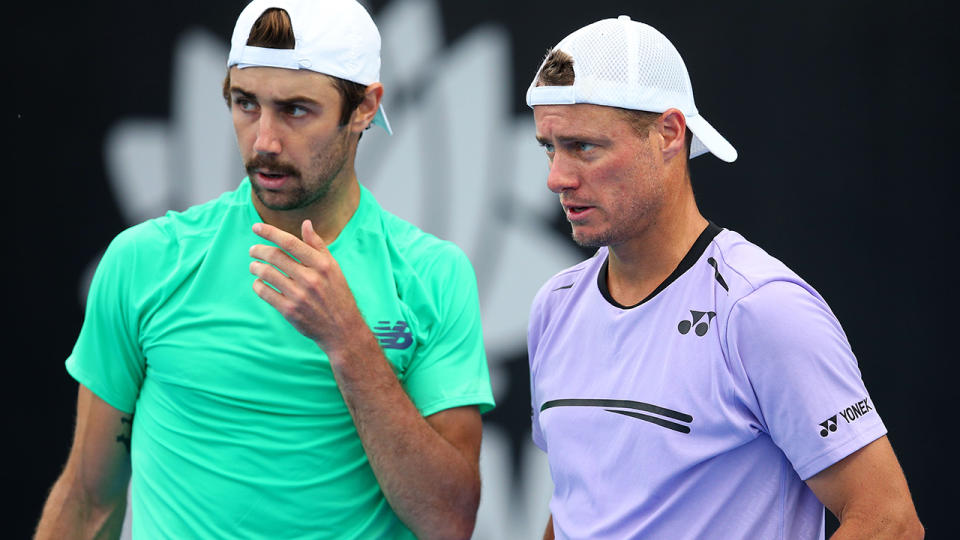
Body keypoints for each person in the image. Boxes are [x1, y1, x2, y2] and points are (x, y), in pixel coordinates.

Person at [35, 1, 494, 538]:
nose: (265, 141)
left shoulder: (433, 275)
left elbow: (450, 520)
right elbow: (89, 501)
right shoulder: (144, 262)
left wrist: (348, 341)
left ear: (366, 107)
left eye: (296, 109)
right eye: (245, 103)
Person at [525, 15, 922, 540]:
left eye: (584, 147)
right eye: (549, 147)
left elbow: (889, 522)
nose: (557, 177)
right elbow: (578, 504)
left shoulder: (761, 308)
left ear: (668, 133)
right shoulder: (555, 305)